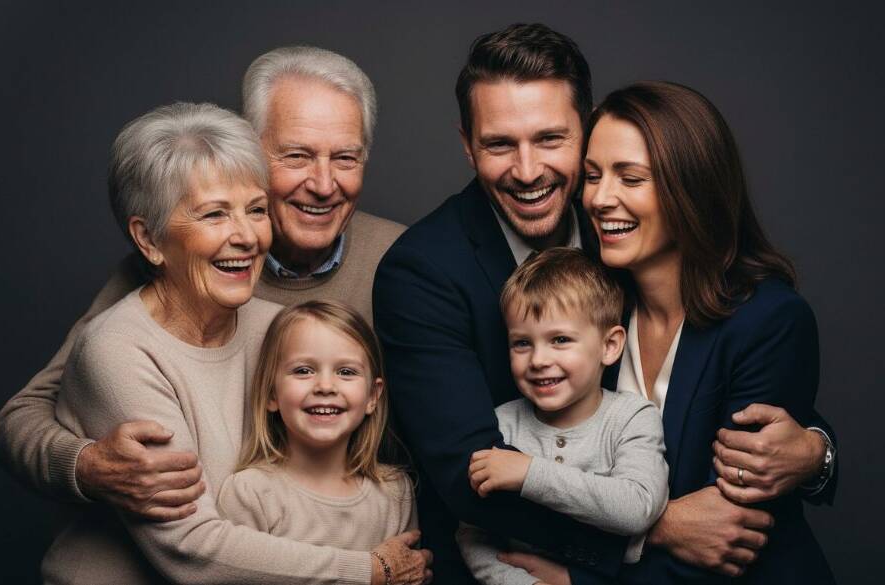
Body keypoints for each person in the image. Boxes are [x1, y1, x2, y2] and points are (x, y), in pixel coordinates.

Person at [373, 23, 836, 585]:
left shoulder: (620, 242)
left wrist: (817, 453)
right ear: (467, 145)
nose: (527, 170)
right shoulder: (423, 271)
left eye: (550, 139)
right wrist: (654, 525)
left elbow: (760, 427)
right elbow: (471, 477)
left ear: (585, 130)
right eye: (499, 143)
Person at [0, 46, 405, 526]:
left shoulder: (403, 261)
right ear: (248, 153)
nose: (323, 183)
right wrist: (88, 465)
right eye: (296, 156)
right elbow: (20, 417)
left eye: (345, 158)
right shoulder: (173, 268)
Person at [40, 102, 429, 585]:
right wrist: (369, 570)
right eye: (214, 214)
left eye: (256, 209)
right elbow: (190, 550)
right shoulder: (117, 350)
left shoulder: (278, 328)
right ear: (149, 240)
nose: (246, 236)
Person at [456, 248, 668, 585]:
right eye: (522, 343)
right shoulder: (499, 425)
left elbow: (637, 506)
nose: (538, 359)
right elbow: (473, 533)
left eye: (560, 339)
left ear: (609, 345)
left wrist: (529, 472)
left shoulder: (632, 418)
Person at [218, 300, 428, 585]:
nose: (325, 386)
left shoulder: (395, 491)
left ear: (372, 397)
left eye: (346, 372)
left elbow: (408, 575)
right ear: (271, 394)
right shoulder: (250, 494)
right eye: (304, 370)